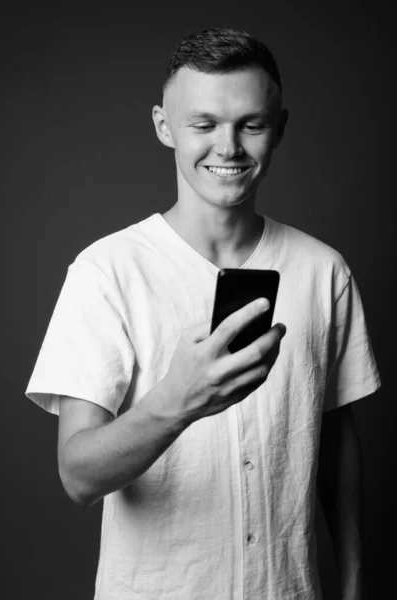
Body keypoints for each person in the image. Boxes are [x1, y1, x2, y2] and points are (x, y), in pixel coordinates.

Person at [26, 27, 380, 600]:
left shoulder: (324, 271)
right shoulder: (106, 271)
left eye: (252, 124)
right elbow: (79, 476)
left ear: (280, 128)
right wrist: (177, 402)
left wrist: (356, 579)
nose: (229, 147)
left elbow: (336, 439)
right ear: (165, 126)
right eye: (204, 124)